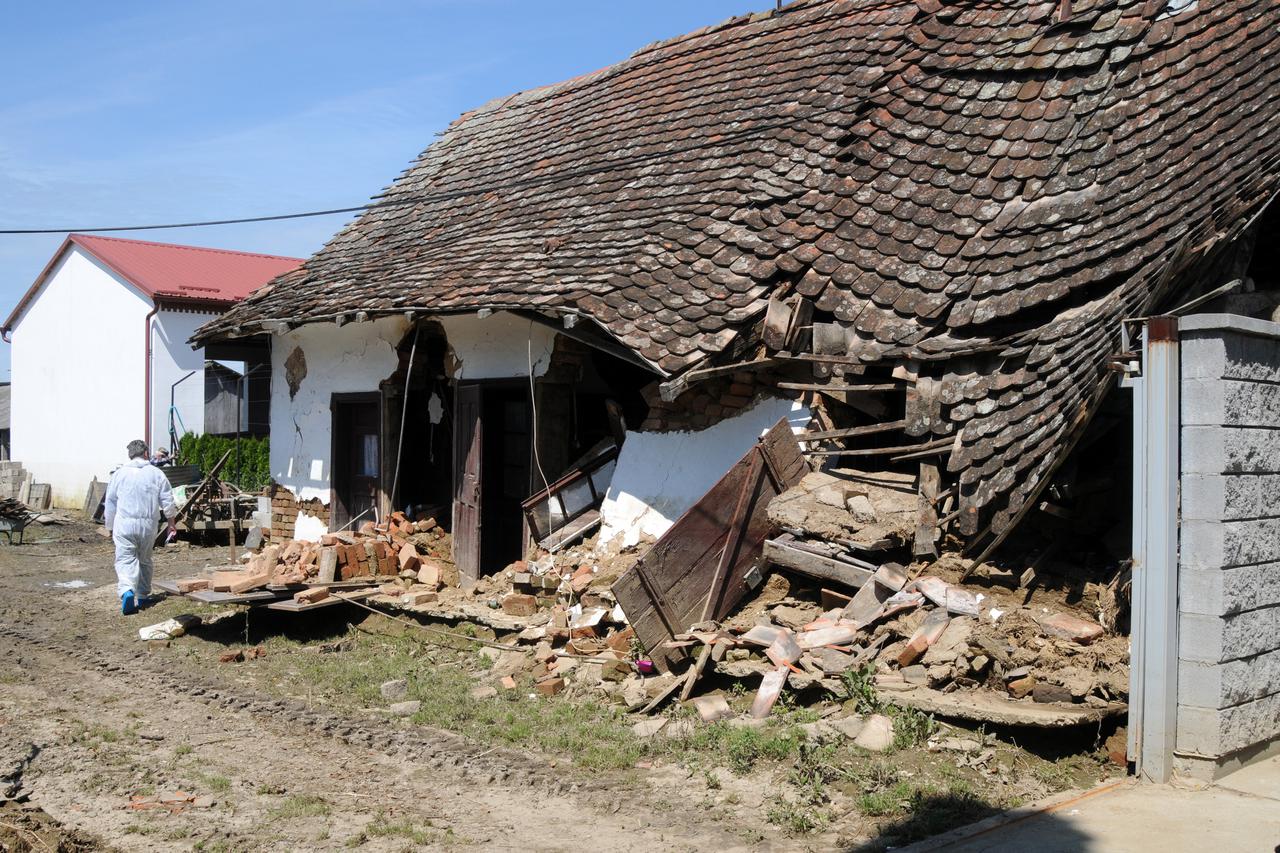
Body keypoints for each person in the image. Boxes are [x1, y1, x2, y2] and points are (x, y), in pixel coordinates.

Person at [104, 440, 178, 614]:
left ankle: (127, 590)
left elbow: (110, 502)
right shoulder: (156, 473)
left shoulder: (119, 474)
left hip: (124, 522)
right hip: (148, 523)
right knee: (144, 559)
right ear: (146, 453)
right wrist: (171, 523)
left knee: (125, 559)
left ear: (130, 455)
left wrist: (109, 526)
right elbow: (167, 500)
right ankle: (143, 596)